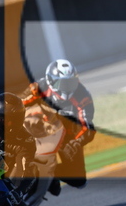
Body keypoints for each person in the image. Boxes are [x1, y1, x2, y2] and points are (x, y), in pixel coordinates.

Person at [21, 59, 96, 195]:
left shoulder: (83, 96)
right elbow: (16, 104)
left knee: (79, 180)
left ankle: (50, 175)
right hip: (40, 130)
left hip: (67, 136)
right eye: (62, 83)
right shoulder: (38, 88)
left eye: (71, 83)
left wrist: (75, 143)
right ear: (50, 81)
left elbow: (88, 127)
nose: (67, 88)